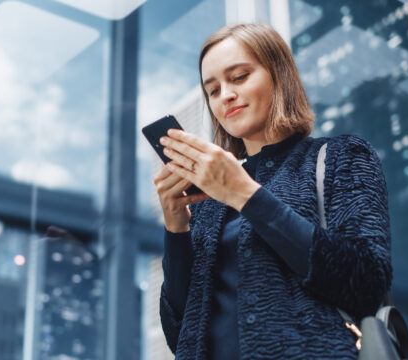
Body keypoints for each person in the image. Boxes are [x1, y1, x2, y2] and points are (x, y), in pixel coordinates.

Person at [153, 23, 392, 359]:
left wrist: (244, 195)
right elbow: (181, 334)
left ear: (278, 75)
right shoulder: (207, 204)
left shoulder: (340, 157)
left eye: (238, 77)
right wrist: (176, 229)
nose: (226, 96)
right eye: (213, 89)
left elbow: (365, 283)